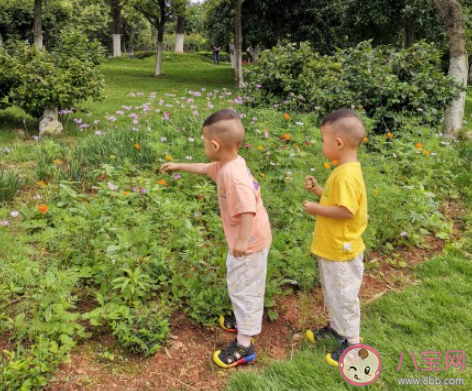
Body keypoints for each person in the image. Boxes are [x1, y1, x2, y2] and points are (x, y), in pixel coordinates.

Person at [160, 109, 272, 368]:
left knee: (245, 288)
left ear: (214, 145)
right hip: (250, 238)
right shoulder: (228, 163)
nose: (203, 146)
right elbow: (205, 167)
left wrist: (242, 242)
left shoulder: (234, 176)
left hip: (250, 243)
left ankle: (245, 346)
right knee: (239, 282)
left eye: (203, 142)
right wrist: (179, 165)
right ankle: (242, 321)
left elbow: (247, 209)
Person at [303, 109, 368, 367]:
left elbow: (346, 210)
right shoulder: (343, 170)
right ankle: (336, 328)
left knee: (344, 296)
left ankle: (353, 344)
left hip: (342, 250)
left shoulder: (346, 175)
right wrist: (319, 190)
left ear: (338, 143)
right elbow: (338, 200)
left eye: (323, 139)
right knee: (333, 293)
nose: (322, 144)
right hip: (332, 248)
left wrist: (316, 208)